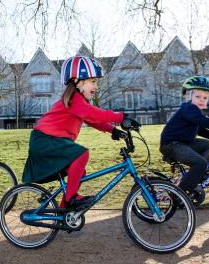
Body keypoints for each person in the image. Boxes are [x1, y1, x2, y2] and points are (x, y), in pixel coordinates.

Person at [22, 55, 137, 210]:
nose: (96, 87)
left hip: (51, 141)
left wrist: (113, 130)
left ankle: (63, 211)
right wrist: (120, 117)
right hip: (45, 141)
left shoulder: (79, 101)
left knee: (79, 172)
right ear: (78, 81)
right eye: (93, 81)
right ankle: (70, 199)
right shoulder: (75, 99)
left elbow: (91, 120)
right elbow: (93, 114)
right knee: (81, 154)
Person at [160, 75, 209, 198]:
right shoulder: (188, 108)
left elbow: (200, 128)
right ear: (187, 96)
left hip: (183, 143)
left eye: (205, 97)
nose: (202, 100)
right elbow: (204, 121)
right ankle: (179, 195)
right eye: (198, 96)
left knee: (205, 144)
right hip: (172, 145)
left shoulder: (193, 112)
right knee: (200, 163)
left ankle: (201, 175)